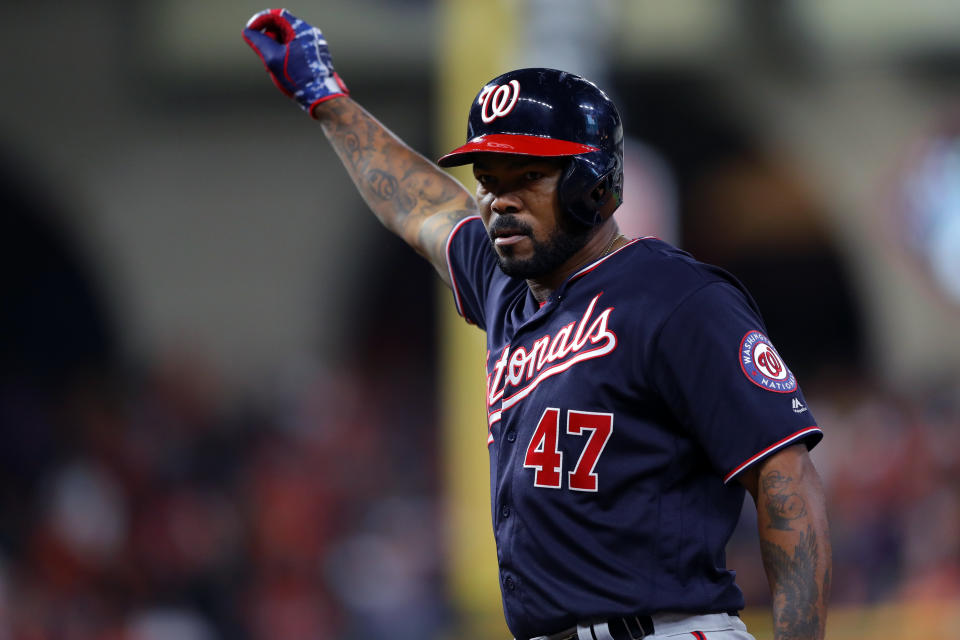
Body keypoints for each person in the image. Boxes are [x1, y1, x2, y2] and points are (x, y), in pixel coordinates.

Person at [242, 9, 831, 640]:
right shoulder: (507, 288)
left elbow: (784, 476)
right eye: (489, 180)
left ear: (592, 182)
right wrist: (328, 99)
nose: (500, 199)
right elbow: (419, 205)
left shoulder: (678, 298)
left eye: (529, 176)